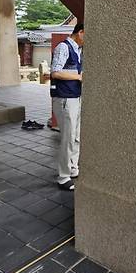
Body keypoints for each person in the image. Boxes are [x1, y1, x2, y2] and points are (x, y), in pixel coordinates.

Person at [50, 23, 85, 191]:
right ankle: (63, 176)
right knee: (67, 138)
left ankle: (72, 167)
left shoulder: (78, 50)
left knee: (76, 136)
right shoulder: (63, 47)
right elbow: (55, 72)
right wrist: (78, 77)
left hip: (75, 97)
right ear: (81, 32)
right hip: (64, 98)